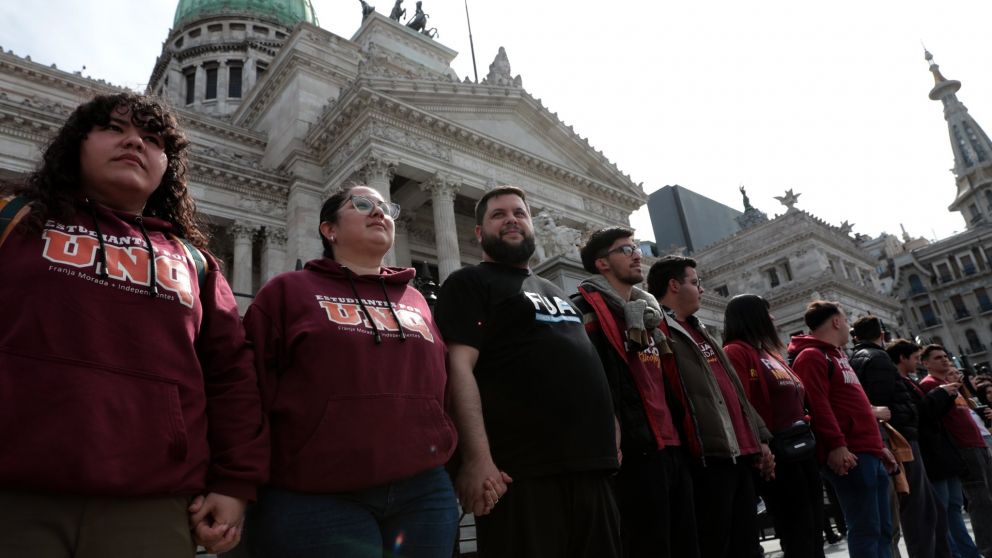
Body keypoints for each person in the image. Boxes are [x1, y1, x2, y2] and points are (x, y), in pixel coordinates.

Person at [0, 93, 268, 557]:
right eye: (114, 129)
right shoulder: (13, 219)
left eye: (151, 138)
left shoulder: (194, 261)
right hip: (13, 491)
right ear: (77, 144)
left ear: (168, 165)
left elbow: (231, 376)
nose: (133, 143)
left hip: (149, 502)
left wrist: (234, 481)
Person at [242, 185, 467, 558]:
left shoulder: (415, 299)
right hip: (318, 492)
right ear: (328, 230)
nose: (379, 212)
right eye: (363, 205)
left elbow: (439, 387)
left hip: (422, 489)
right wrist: (239, 480)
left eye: (385, 207)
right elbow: (249, 388)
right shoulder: (288, 291)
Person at [435, 186, 621, 558]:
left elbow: (578, 360)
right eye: (499, 214)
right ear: (479, 232)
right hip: (523, 473)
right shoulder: (468, 282)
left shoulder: (553, 288)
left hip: (591, 468)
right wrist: (475, 458)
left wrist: (610, 423)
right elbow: (458, 369)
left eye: (519, 213)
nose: (511, 220)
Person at [572, 227, 698, 558]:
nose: (637, 255)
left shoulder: (650, 314)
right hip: (635, 449)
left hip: (673, 445)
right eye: (626, 250)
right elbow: (587, 383)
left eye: (636, 248)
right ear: (602, 263)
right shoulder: (583, 311)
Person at [646, 257, 774, 558]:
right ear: (674, 285)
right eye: (694, 282)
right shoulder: (657, 329)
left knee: (748, 545)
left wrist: (760, 438)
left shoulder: (701, 330)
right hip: (706, 457)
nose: (701, 290)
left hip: (739, 454)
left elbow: (734, 390)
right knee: (715, 544)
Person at [788, 301, 897, 558]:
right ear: (836, 321)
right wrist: (837, 445)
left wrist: (879, 447)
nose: (848, 325)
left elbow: (854, 405)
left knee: (883, 528)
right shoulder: (812, 356)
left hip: (868, 450)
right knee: (866, 528)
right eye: (846, 319)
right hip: (850, 453)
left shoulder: (838, 356)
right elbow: (818, 405)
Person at [722, 294, 825, 558]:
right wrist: (761, 445)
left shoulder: (770, 353)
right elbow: (741, 403)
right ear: (751, 316)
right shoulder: (736, 352)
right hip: (777, 455)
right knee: (797, 529)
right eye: (766, 313)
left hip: (803, 448)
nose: (773, 318)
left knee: (814, 526)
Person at [850, 318, 951, 558]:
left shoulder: (858, 358)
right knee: (919, 509)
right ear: (882, 336)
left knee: (925, 508)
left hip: (893, 438)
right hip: (899, 439)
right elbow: (884, 401)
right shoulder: (877, 357)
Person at [920, 345, 992, 558]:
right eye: (937, 358)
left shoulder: (949, 384)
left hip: (977, 443)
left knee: (988, 497)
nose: (944, 360)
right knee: (979, 500)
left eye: (945, 356)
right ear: (925, 363)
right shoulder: (930, 385)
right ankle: (987, 548)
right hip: (963, 447)